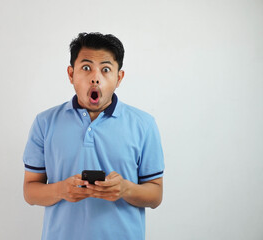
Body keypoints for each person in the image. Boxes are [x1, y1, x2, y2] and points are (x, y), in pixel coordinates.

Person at [23, 32, 165, 240]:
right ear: (71, 74)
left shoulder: (144, 124)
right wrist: (61, 190)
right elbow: (30, 191)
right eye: (86, 67)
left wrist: (125, 189)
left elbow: (155, 195)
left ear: (119, 77)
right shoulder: (45, 122)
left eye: (106, 69)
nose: (95, 77)